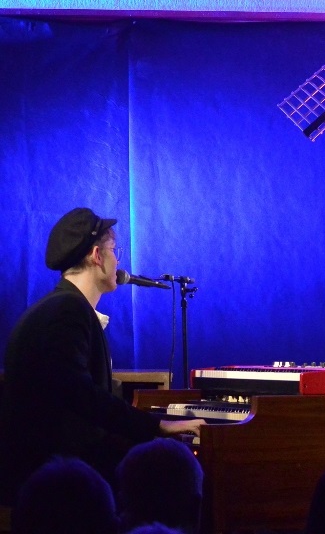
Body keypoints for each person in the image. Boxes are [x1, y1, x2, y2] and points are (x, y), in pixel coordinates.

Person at [0, 208, 203, 503]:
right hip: (54, 480)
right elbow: (81, 396)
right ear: (97, 256)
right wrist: (158, 426)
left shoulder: (60, 306)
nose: (118, 260)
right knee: (165, 479)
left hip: (55, 467)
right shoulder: (67, 311)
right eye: (113, 250)